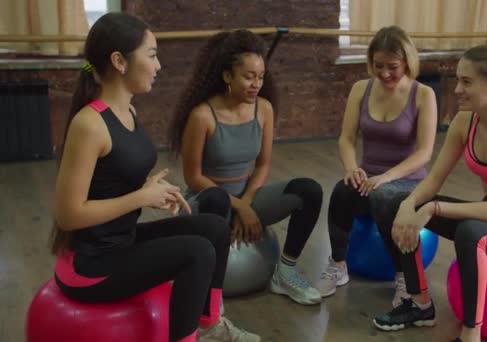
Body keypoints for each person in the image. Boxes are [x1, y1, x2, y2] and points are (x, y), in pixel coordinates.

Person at [50, 13, 259, 342]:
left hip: (122, 238)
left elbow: (112, 177)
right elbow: (68, 214)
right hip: (89, 265)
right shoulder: (89, 124)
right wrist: (140, 197)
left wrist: (152, 190)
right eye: (152, 54)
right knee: (197, 252)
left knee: (215, 227)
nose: (159, 65)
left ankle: (210, 324)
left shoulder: (128, 111)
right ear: (119, 61)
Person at [371, 43, 487, 342]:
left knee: (470, 231)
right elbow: (432, 182)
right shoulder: (464, 121)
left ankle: (471, 334)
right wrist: (409, 204)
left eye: (467, 82)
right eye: (457, 79)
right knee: (393, 200)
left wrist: (431, 209)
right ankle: (420, 304)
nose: (457, 89)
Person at [169, 29, 323, 305]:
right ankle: (207, 299)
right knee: (217, 201)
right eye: (249, 76)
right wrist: (239, 207)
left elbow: (263, 166)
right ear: (227, 76)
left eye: (261, 77)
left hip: (246, 195)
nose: (256, 84)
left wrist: (247, 203)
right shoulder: (202, 115)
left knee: (309, 191)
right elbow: (193, 177)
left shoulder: (263, 109)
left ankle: (285, 272)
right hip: (208, 200)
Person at [316, 26, 437, 307]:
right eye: (378, 66)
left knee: (383, 196)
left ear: (407, 61)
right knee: (342, 191)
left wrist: (387, 176)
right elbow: (346, 139)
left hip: (409, 179)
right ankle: (339, 265)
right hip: (370, 176)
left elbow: (424, 152)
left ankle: (406, 276)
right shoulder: (361, 89)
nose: (384, 74)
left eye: (392, 67)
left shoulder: (423, 94)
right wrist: (351, 168)